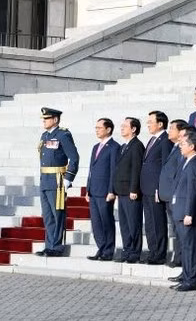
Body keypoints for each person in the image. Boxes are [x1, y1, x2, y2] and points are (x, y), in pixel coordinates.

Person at [34, 108, 79, 257]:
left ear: (55, 120)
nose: (44, 121)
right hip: (45, 180)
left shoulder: (63, 135)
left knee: (57, 214)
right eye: (43, 119)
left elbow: (74, 158)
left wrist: (68, 179)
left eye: (47, 119)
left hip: (57, 180)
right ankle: (49, 245)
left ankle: (57, 246)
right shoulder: (44, 135)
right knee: (47, 216)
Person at [168, 131, 196, 292]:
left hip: (187, 214)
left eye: (183, 144)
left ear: (192, 146)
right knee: (185, 246)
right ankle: (187, 276)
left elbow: (193, 191)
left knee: (190, 248)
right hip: (179, 211)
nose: (180, 146)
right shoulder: (186, 161)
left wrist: (189, 212)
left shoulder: (195, 163)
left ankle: (193, 279)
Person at [140, 111, 172, 264]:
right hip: (146, 188)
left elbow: (165, 166)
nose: (148, 124)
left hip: (156, 189)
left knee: (157, 222)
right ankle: (152, 252)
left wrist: (160, 188)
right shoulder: (153, 140)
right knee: (150, 223)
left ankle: (159, 254)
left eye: (150, 121)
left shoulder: (165, 140)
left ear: (160, 124)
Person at [86, 118, 119, 261]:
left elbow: (113, 170)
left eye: (100, 127)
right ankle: (101, 247)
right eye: (96, 127)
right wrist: (88, 189)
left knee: (106, 221)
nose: (97, 130)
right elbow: (91, 170)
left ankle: (108, 250)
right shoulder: (95, 147)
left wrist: (112, 190)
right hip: (93, 191)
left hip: (105, 191)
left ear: (108, 129)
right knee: (96, 223)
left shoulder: (114, 147)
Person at [113, 117, 144, 263]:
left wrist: (134, 189)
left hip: (131, 192)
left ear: (133, 129)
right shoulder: (123, 146)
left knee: (133, 224)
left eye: (125, 125)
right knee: (124, 224)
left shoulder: (137, 145)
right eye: (122, 125)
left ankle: (135, 252)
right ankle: (126, 250)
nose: (122, 127)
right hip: (122, 191)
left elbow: (136, 169)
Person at [159, 119, 188, 267]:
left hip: (175, 195)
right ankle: (178, 257)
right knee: (176, 230)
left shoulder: (182, 150)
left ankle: (181, 259)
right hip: (169, 195)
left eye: (172, 128)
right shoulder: (174, 147)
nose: (169, 131)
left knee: (180, 230)